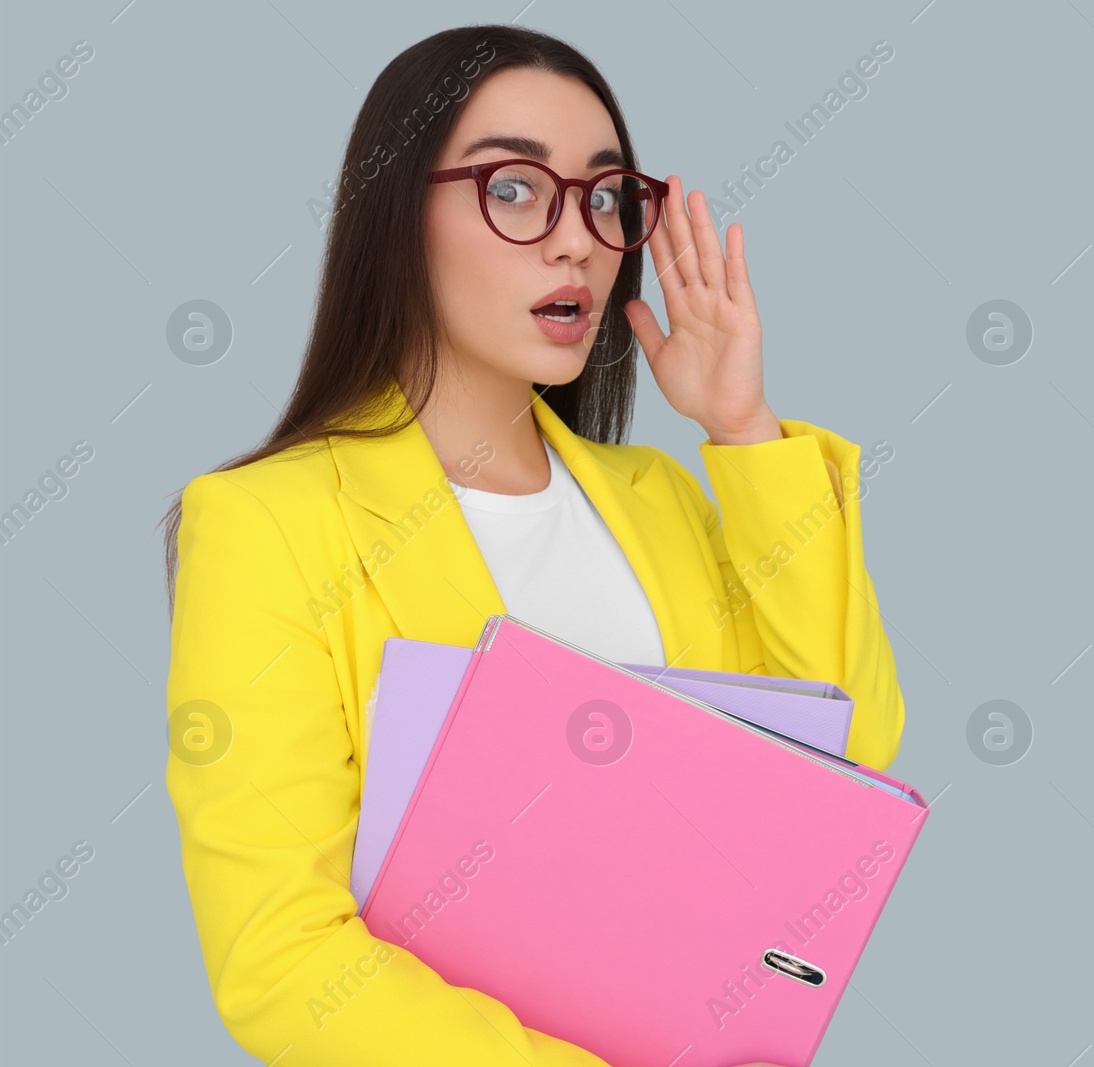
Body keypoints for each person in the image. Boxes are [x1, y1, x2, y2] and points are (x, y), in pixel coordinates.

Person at [159, 23, 904, 1067]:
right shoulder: (265, 523)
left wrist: (744, 433)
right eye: (514, 188)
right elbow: (280, 955)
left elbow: (847, 766)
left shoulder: (662, 500)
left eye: (606, 197)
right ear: (395, 214)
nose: (577, 241)